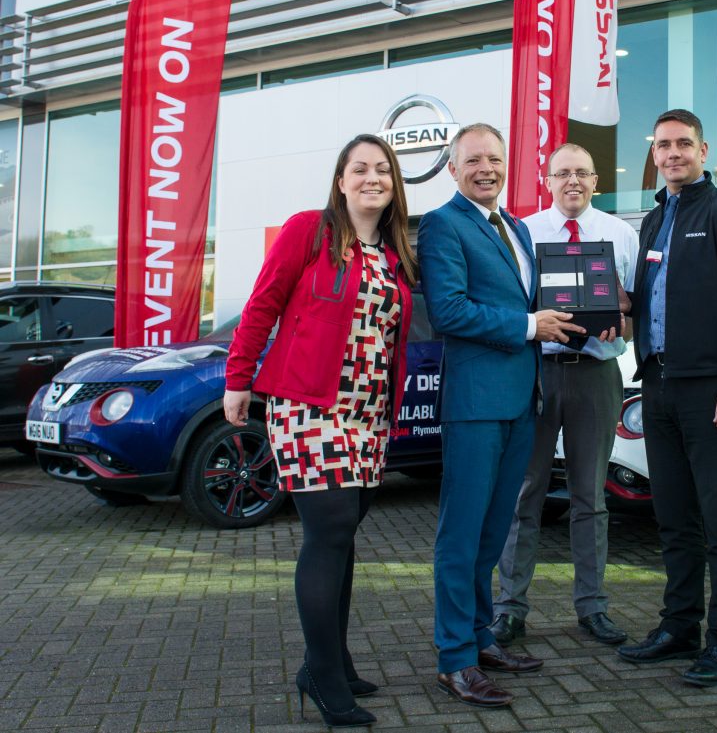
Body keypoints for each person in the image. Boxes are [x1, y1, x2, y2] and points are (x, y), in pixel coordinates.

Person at [223, 134, 417, 729]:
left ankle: (330, 661)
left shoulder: (393, 253)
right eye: (359, 169)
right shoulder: (309, 230)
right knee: (328, 533)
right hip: (310, 406)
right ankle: (325, 680)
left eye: (382, 170)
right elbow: (262, 305)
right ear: (340, 181)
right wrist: (239, 377)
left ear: (394, 184)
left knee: (344, 536)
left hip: (367, 412)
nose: (372, 178)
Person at [417, 123, 587, 709]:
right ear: (452, 168)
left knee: (493, 532)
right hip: (475, 405)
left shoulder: (513, 226)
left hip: (521, 400)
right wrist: (526, 327)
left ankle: (481, 638)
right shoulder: (443, 224)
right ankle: (454, 660)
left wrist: (582, 316)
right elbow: (448, 310)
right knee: (461, 535)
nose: (485, 168)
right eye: (473, 160)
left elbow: (532, 304)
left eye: (494, 159)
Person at [617, 108, 717, 688]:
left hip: (714, 391)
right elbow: (647, 297)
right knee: (674, 519)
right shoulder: (653, 221)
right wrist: (615, 308)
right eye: (663, 145)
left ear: (704, 150)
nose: (673, 153)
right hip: (656, 384)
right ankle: (679, 625)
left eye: (684, 144)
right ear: (653, 154)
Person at [491, 143, 640, 646]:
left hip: (596, 375)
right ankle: (509, 608)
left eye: (581, 172)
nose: (572, 181)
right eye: (562, 173)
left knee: (590, 496)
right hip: (535, 373)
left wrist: (620, 321)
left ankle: (593, 608)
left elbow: (635, 317)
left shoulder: (622, 235)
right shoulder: (523, 233)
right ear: (546, 180)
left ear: (596, 180)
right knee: (524, 493)